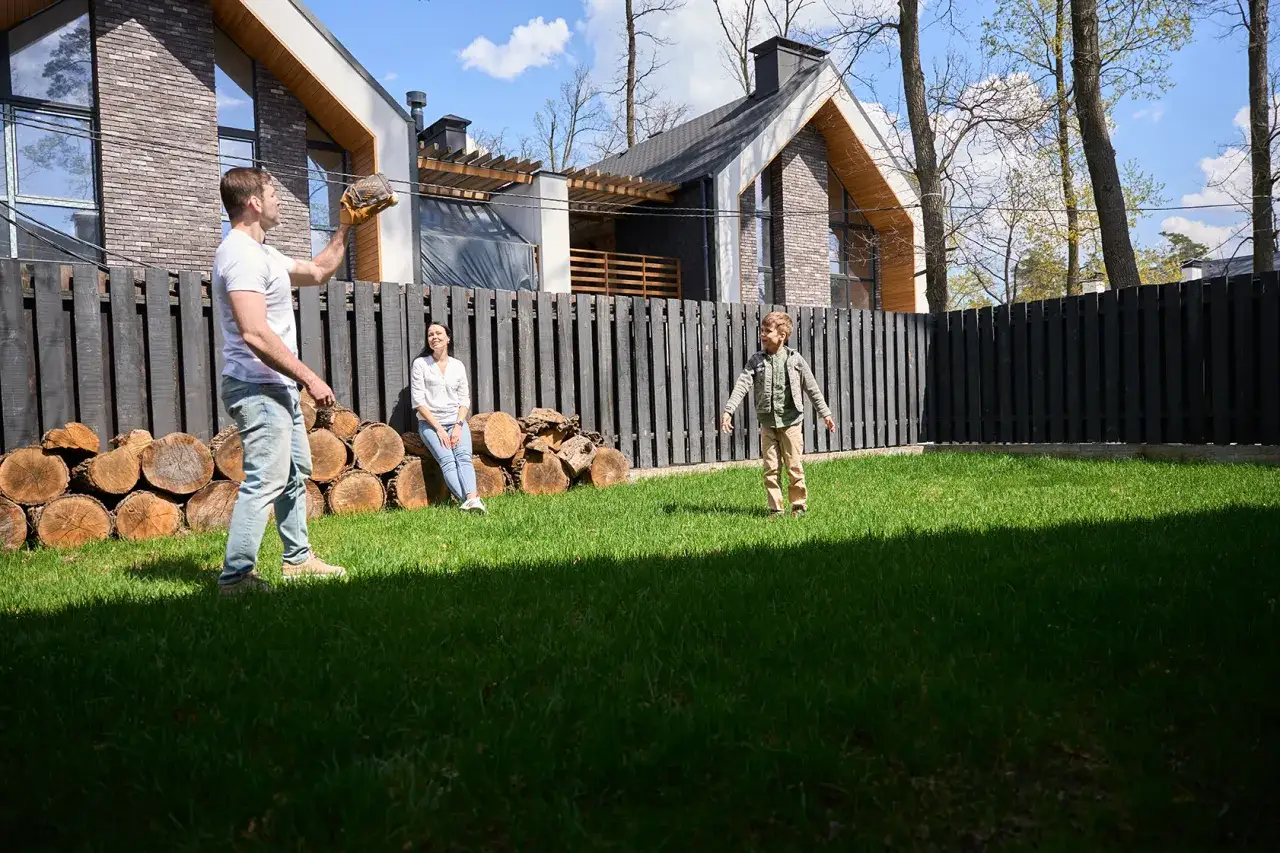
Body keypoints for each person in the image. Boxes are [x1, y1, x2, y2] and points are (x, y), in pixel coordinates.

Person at [213, 166, 394, 595]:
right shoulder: (238, 254)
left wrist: (345, 227)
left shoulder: (265, 254)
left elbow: (318, 272)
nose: (278, 200)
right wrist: (309, 376)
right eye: (272, 192)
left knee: (294, 472)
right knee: (267, 478)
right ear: (254, 202)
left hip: (276, 386)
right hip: (255, 386)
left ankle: (297, 560)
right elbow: (254, 332)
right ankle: (236, 577)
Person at [721, 311, 835, 518]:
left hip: (791, 423)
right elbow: (742, 385)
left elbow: (812, 388)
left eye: (768, 331)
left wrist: (825, 413)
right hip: (768, 425)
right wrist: (729, 410)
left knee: (794, 467)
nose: (763, 334)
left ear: (782, 335)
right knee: (770, 468)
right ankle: (776, 509)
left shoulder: (795, 360)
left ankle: (799, 506)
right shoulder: (756, 360)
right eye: (762, 330)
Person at [410, 323, 487, 513]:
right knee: (448, 460)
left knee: (463, 457)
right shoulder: (421, 364)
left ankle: (471, 500)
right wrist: (439, 429)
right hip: (430, 424)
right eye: (430, 334)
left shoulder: (457, 365)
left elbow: (464, 400)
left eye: (438, 333)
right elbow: (418, 401)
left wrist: (458, 425)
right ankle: (471, 502)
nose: (434, 337)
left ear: (448, 338)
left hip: (456, 421)